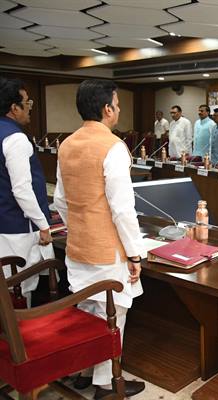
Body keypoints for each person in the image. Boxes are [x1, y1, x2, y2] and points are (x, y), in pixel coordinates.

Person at [53, 79, 145, 398]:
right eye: (117, 105)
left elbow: (61, 201)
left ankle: (84, 371)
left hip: (77, 247)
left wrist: (80, 226)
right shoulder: (113, 146)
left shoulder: (66, 144)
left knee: (86, 313)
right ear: (107, 109)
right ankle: (105, 383)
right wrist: (135, 253)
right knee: (113, 314)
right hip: (108, 250)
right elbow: (122, 209)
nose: (118, 110)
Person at [0, 77, 54, 307]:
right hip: (18, 228)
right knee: (20, 289)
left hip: (3, 223)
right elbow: (22, 189)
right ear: (14, 108)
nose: (30, 107)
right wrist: (43, 225)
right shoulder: (15, 138)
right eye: (27, 103)